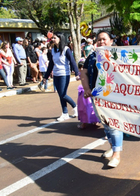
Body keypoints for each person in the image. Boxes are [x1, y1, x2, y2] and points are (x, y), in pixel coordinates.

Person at [80, 30, 124, 168]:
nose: (101, 42)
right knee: (105, 123)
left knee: (114, 124)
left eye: (104, 39)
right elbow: (84, 73)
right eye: (99, 39)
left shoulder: (118, 56)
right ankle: (112, 147)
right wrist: (87, 88)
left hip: (113, 96)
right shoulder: (92, 57)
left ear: (111, 41)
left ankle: (117, 154)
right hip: (97, 96)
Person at [44, 32, 79, 121]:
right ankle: (65, 113)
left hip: (64, 74)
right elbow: (51, 64)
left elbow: (72, 61)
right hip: (56, 75)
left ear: (60, 38)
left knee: (63, 94)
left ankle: (75, 107)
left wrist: (77, 73)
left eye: (55, 38)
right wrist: (46, 76)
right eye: (53, 38)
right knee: (60, 95)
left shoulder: (66, 49)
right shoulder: (52, 50)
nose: (53, 39)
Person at [76, 59, 100, 129]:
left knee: (90, 108)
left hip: (88, 92)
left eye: (82, 67)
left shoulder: (88, 73)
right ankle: (84, 123)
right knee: (83, 109)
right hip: (84, 92)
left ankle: (94, 121)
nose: (81, 69)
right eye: (80, 67)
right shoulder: (83, 73)